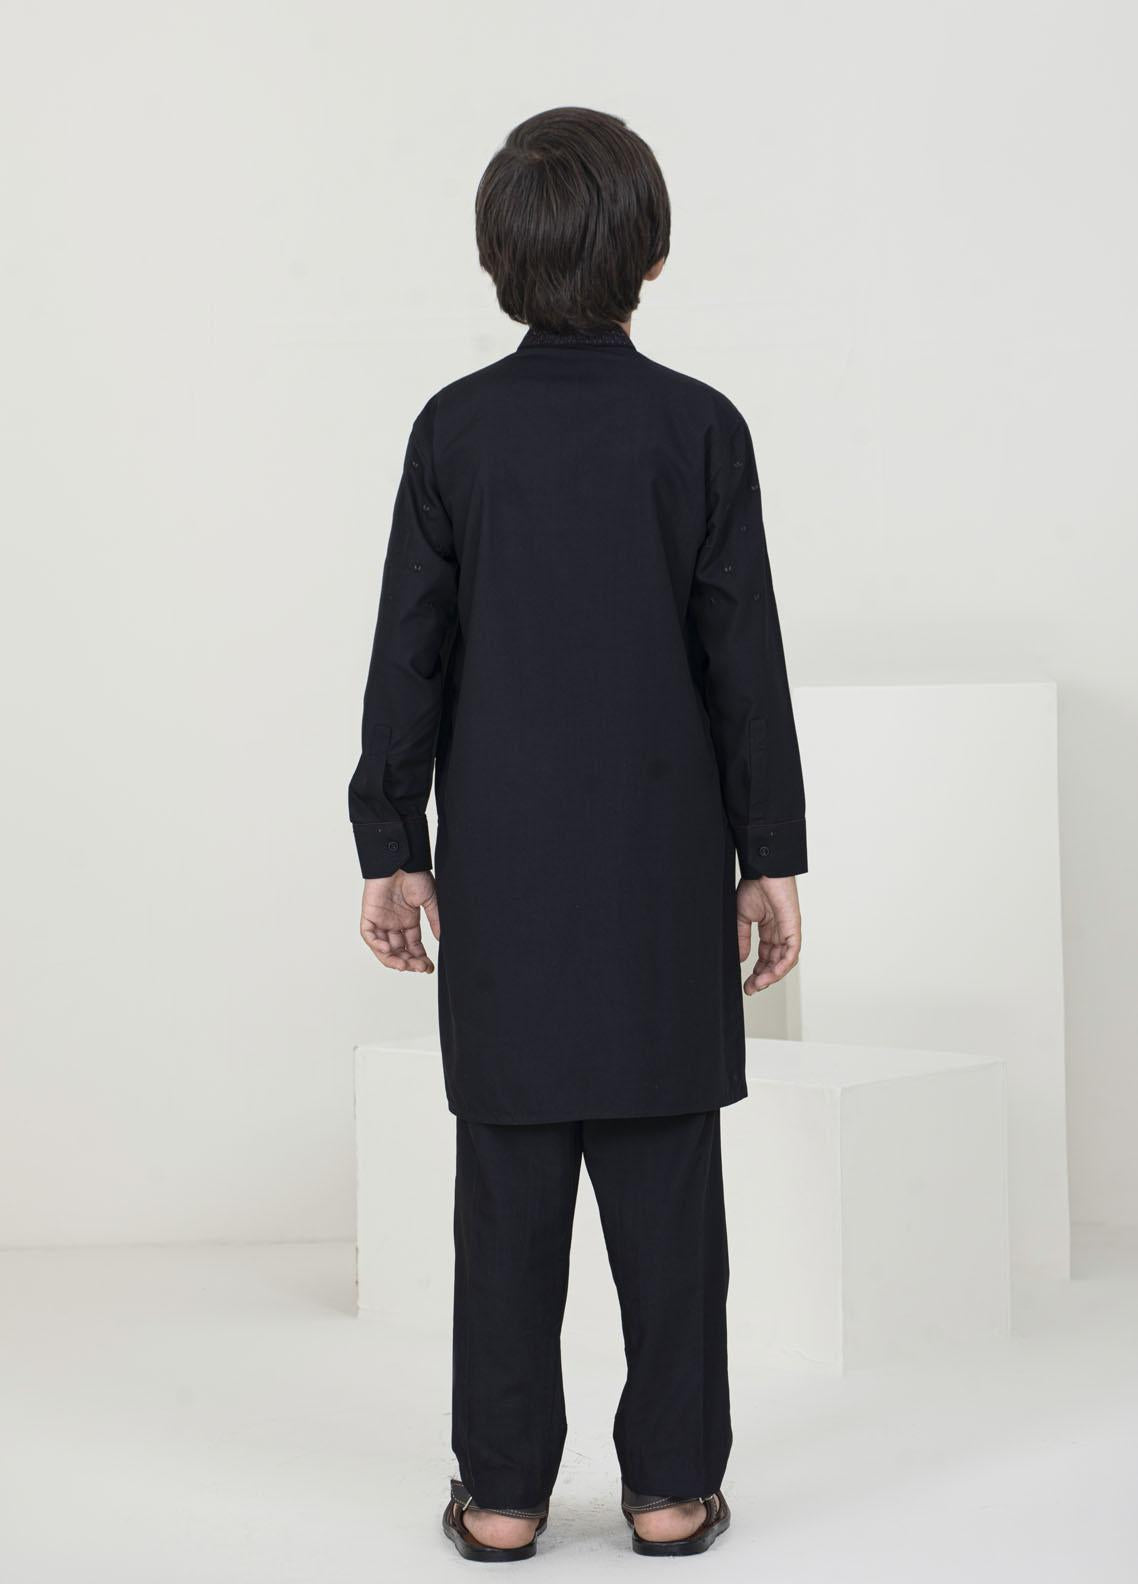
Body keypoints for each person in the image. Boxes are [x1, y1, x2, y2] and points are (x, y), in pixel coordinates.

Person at [348, 106, 806, 1562]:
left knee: (507, 1198)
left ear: (497, 255)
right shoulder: (700, 428)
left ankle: (500, 1499)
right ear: (651, 254)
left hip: (506, 874)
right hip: (662, 875)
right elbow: (743, 663)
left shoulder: (454, 430)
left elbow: (408, 654)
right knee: (668, 1194)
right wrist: (769, 854)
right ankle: (670, 1491)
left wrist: (390, 841)